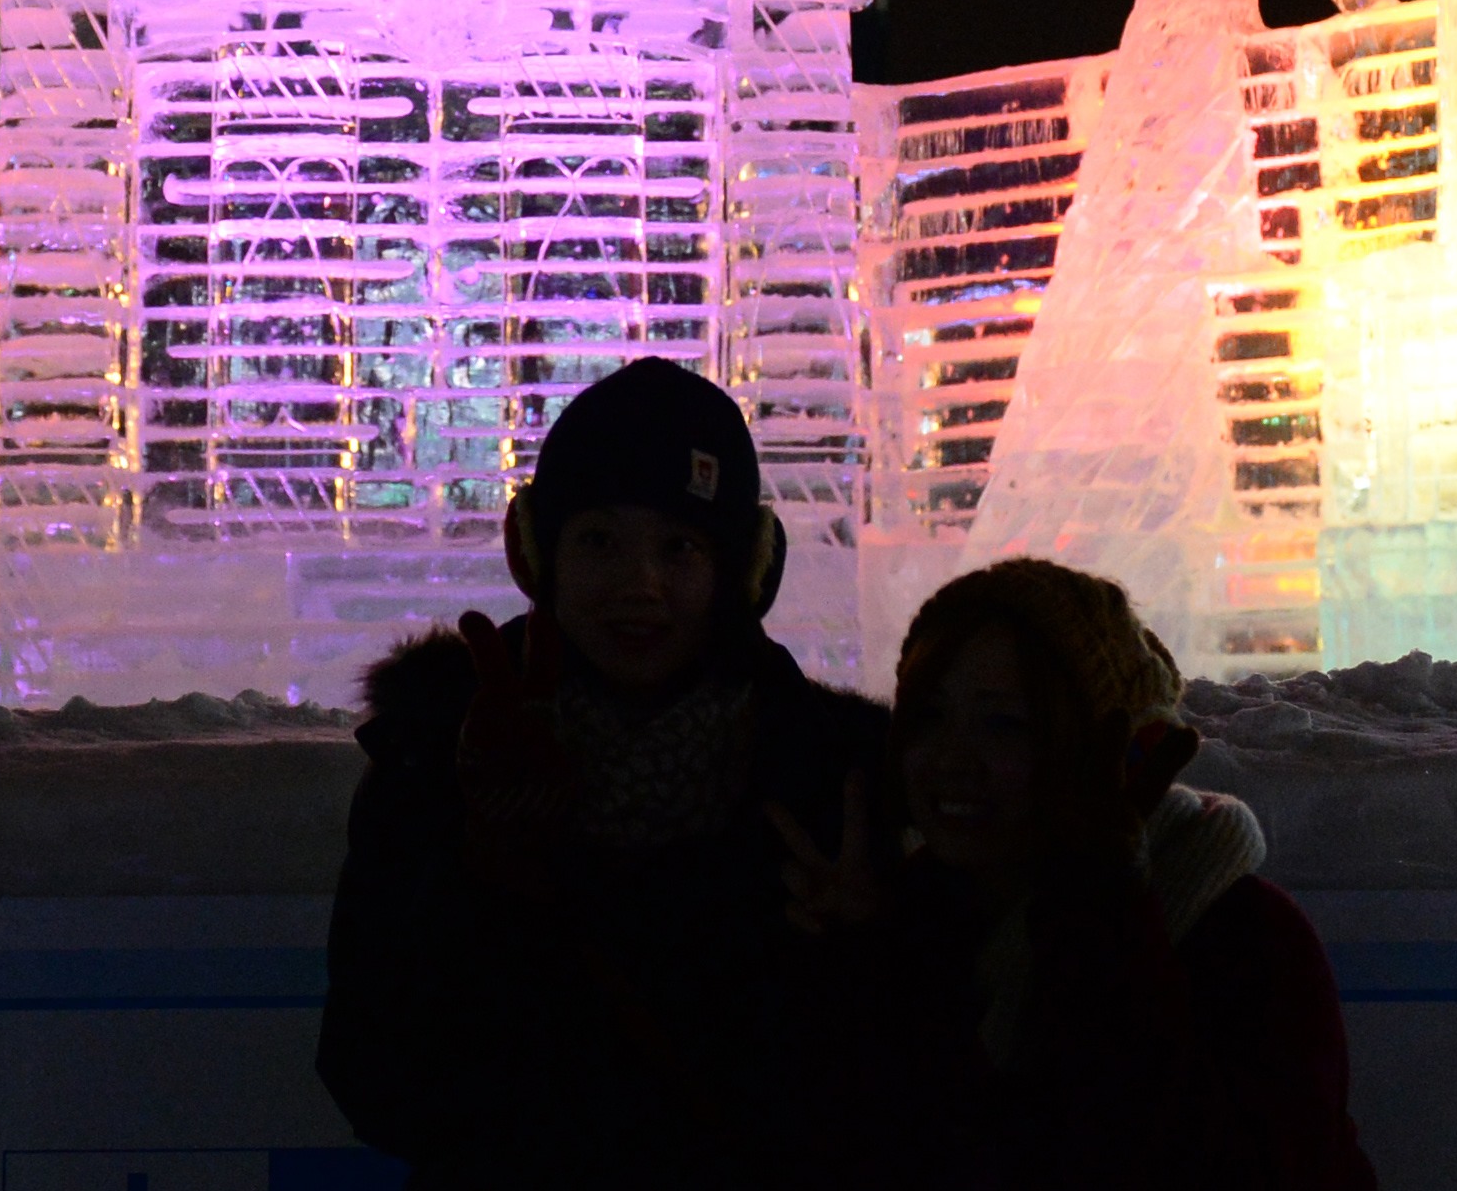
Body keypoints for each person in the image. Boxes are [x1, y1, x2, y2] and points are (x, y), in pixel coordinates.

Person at [317, 357, 902, 1188]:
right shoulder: (440, 752)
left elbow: (898, 1103)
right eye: (599, 541)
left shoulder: (838, 779)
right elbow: (373, 1079)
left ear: (741, 572)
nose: (640, 585)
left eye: (680, 547)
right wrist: (482, 888)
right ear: (537, 553)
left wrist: (872, 950)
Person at [865, 556, 1374, 1188]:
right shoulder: (909, 926)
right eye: (928, 715)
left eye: (1004, 723)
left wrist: (1102, 910)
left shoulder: (1244, 938)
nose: (950, 758)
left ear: (1104, 753)